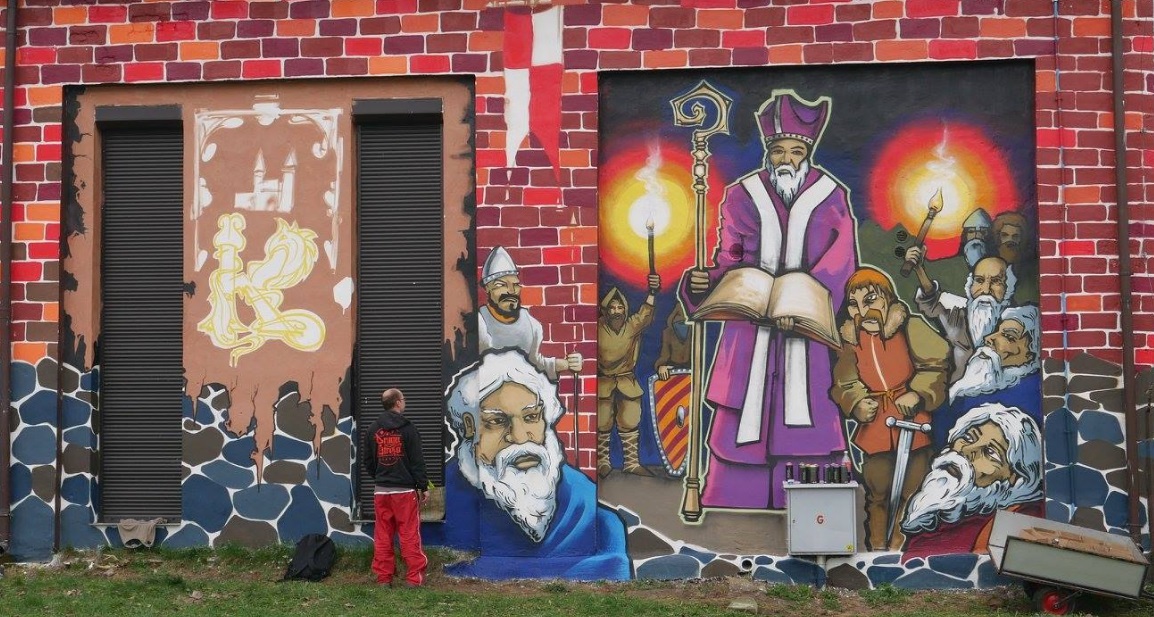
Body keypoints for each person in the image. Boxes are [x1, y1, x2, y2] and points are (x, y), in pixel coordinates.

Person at [679, 90, 858, 509]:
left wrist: (802, 307)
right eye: (778, 151)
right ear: (768, 152)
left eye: (795, 151)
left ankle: (808, 503)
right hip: (750, 332)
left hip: (806, 335)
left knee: (808, 420)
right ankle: (734, 499)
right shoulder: (742, 195)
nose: (786, 160)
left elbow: (840, 263)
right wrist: (704, 284)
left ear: (807, 153)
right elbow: (730, 259)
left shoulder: (831, 196)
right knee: (744, 413)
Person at [442, 349, 630, 580]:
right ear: (470, 426)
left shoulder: (583, 503)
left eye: (531, 417)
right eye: (498, 421)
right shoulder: (448, 494)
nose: (520, 437)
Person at [830, 267, 949, 550]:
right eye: (855, 304)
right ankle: (878, 547)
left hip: (912, 425)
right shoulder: (851, 342)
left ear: (887, 299)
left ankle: (904, 546)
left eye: (870, 300)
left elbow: (936, 362)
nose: (863, 311)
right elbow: (844, 381)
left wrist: (917, 392)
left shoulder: (909, 327)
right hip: (876, 428)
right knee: (878, 491)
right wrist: (857, 402)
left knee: (914, 488)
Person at [900, 403, 1043, 561]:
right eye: (968, 438)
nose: (966, 450)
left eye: (990, 452)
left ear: (1014, 478)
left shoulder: (1009, 525)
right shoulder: (939, 512)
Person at [936, 305, 1042, 449]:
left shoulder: (1032, 391)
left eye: (1008, 337)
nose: (989, 339)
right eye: (996, 331)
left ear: (1031, 353)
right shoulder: (979, 381)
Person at [904, 250, 1016, 382]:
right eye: (979, 280)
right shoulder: (957, 312)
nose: (986, 290)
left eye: (996, 281)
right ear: (970, 285)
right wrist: (919, 269)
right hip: (958, 390)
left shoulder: (1016, 323)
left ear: (1008, 287)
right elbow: (931, 299)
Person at [478, 246, 582, 381]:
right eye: (501, 285)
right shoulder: (479, 323)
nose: (511, 291)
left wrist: (567, 364)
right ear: (487, 288)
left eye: (515, 285)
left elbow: (534, 365)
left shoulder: (531, 325)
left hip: (525, 391)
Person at [361, 388, 429, 587]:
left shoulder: (372, 429)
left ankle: (384, 579)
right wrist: (422, 486)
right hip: (405, 492)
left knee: (382, 535)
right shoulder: (408, 428)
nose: (404, 402)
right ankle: (414, 579)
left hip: (381, 491)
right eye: (403, 399)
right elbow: (417, 461)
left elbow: (368, 461)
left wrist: (380, 477)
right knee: (409, 533)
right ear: (398, 402)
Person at [597, 275, 660, 479]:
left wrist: (652, 292)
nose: (616, 311)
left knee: (630, 420)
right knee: (602, 422)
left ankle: (631, 463)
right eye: (612, 308)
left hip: (627, 381)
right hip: (604, 382)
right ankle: (602, 462)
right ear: (605, 310)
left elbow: (645, 313)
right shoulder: (597, 326)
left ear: (624, 309)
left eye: (619, 307)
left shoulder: (631, 325)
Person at [654, 303, 691, 380]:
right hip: (673, 369)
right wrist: (661, 366)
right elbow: (664, 355)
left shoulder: (697, 331)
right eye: (679, 323)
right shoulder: (668, 333)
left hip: (692, 370)